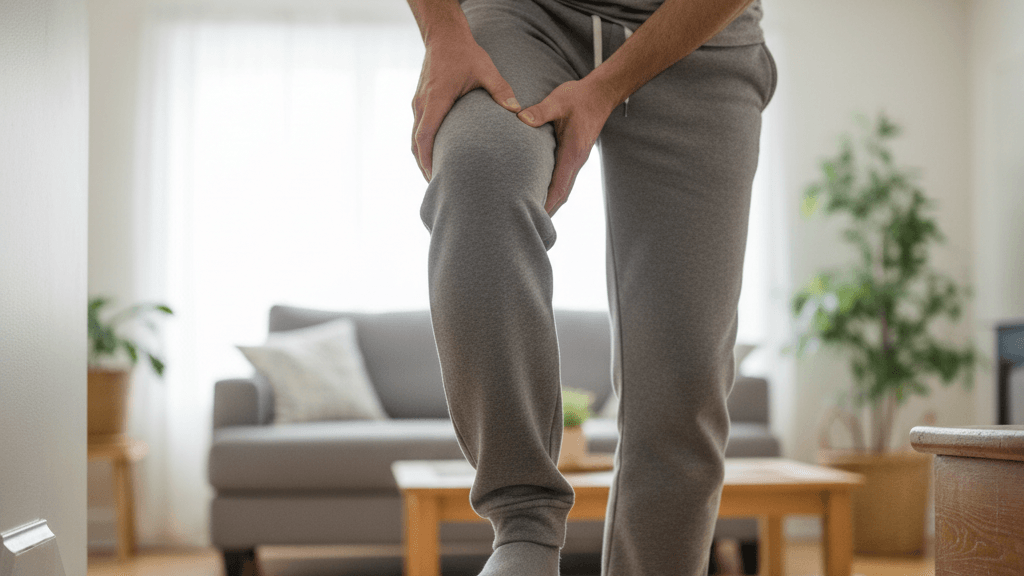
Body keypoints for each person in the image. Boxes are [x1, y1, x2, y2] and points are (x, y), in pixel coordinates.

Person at [406, 0, 776, 573]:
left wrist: (607, 86)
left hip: (702, 35)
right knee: (479, 171)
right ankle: (524, 524)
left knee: (685, 376)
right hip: (527, 15)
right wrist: (443, 32)